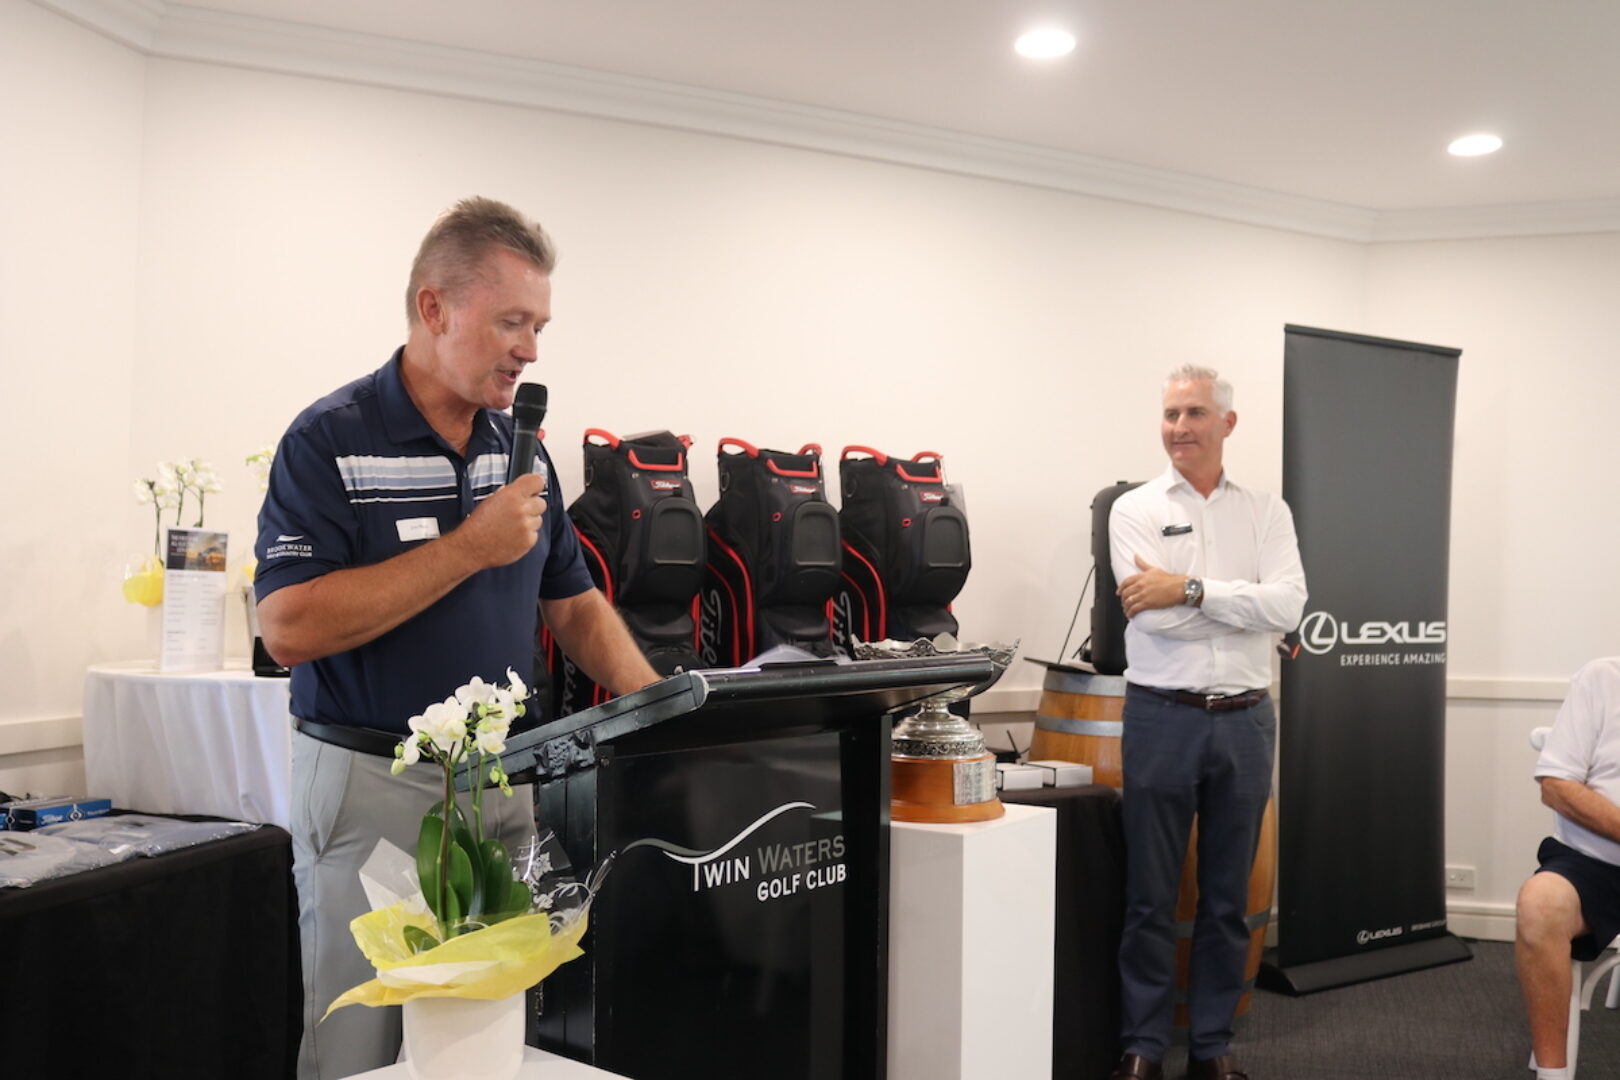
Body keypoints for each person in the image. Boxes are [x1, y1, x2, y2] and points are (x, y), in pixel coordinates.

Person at [254, 196, 660, 1080]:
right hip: (371, 783)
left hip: (502, 785)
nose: (531, 349)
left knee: (483, 1048)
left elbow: (574, 605)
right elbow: (286, 627)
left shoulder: (522, 451)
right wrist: (469, 548)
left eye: (540, 327)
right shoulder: (329, 441)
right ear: (433, 308)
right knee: (357, 1049)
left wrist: (657, 711)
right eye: (511, 321)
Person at [1106, 364, 1307, 1080]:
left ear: (1227, 423)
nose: (1179, 427)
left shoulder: (1267, 512)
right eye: (1170, 414)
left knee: (1226, 900)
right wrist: (1241, 602)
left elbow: (1289, 607)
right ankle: (1142, 1047)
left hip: (1246, 723)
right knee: (1150, 897)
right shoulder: (1132, 508)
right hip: (1163, 716)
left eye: (1193, 413)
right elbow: (1152, 620)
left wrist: (1189, 588)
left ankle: (1212, 1049)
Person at [1516, 656, 1620, 1080]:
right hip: (1594, 862)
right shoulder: (1602, 679)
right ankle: (1553, 1075)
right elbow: (1556, 787)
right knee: (1539, 904)